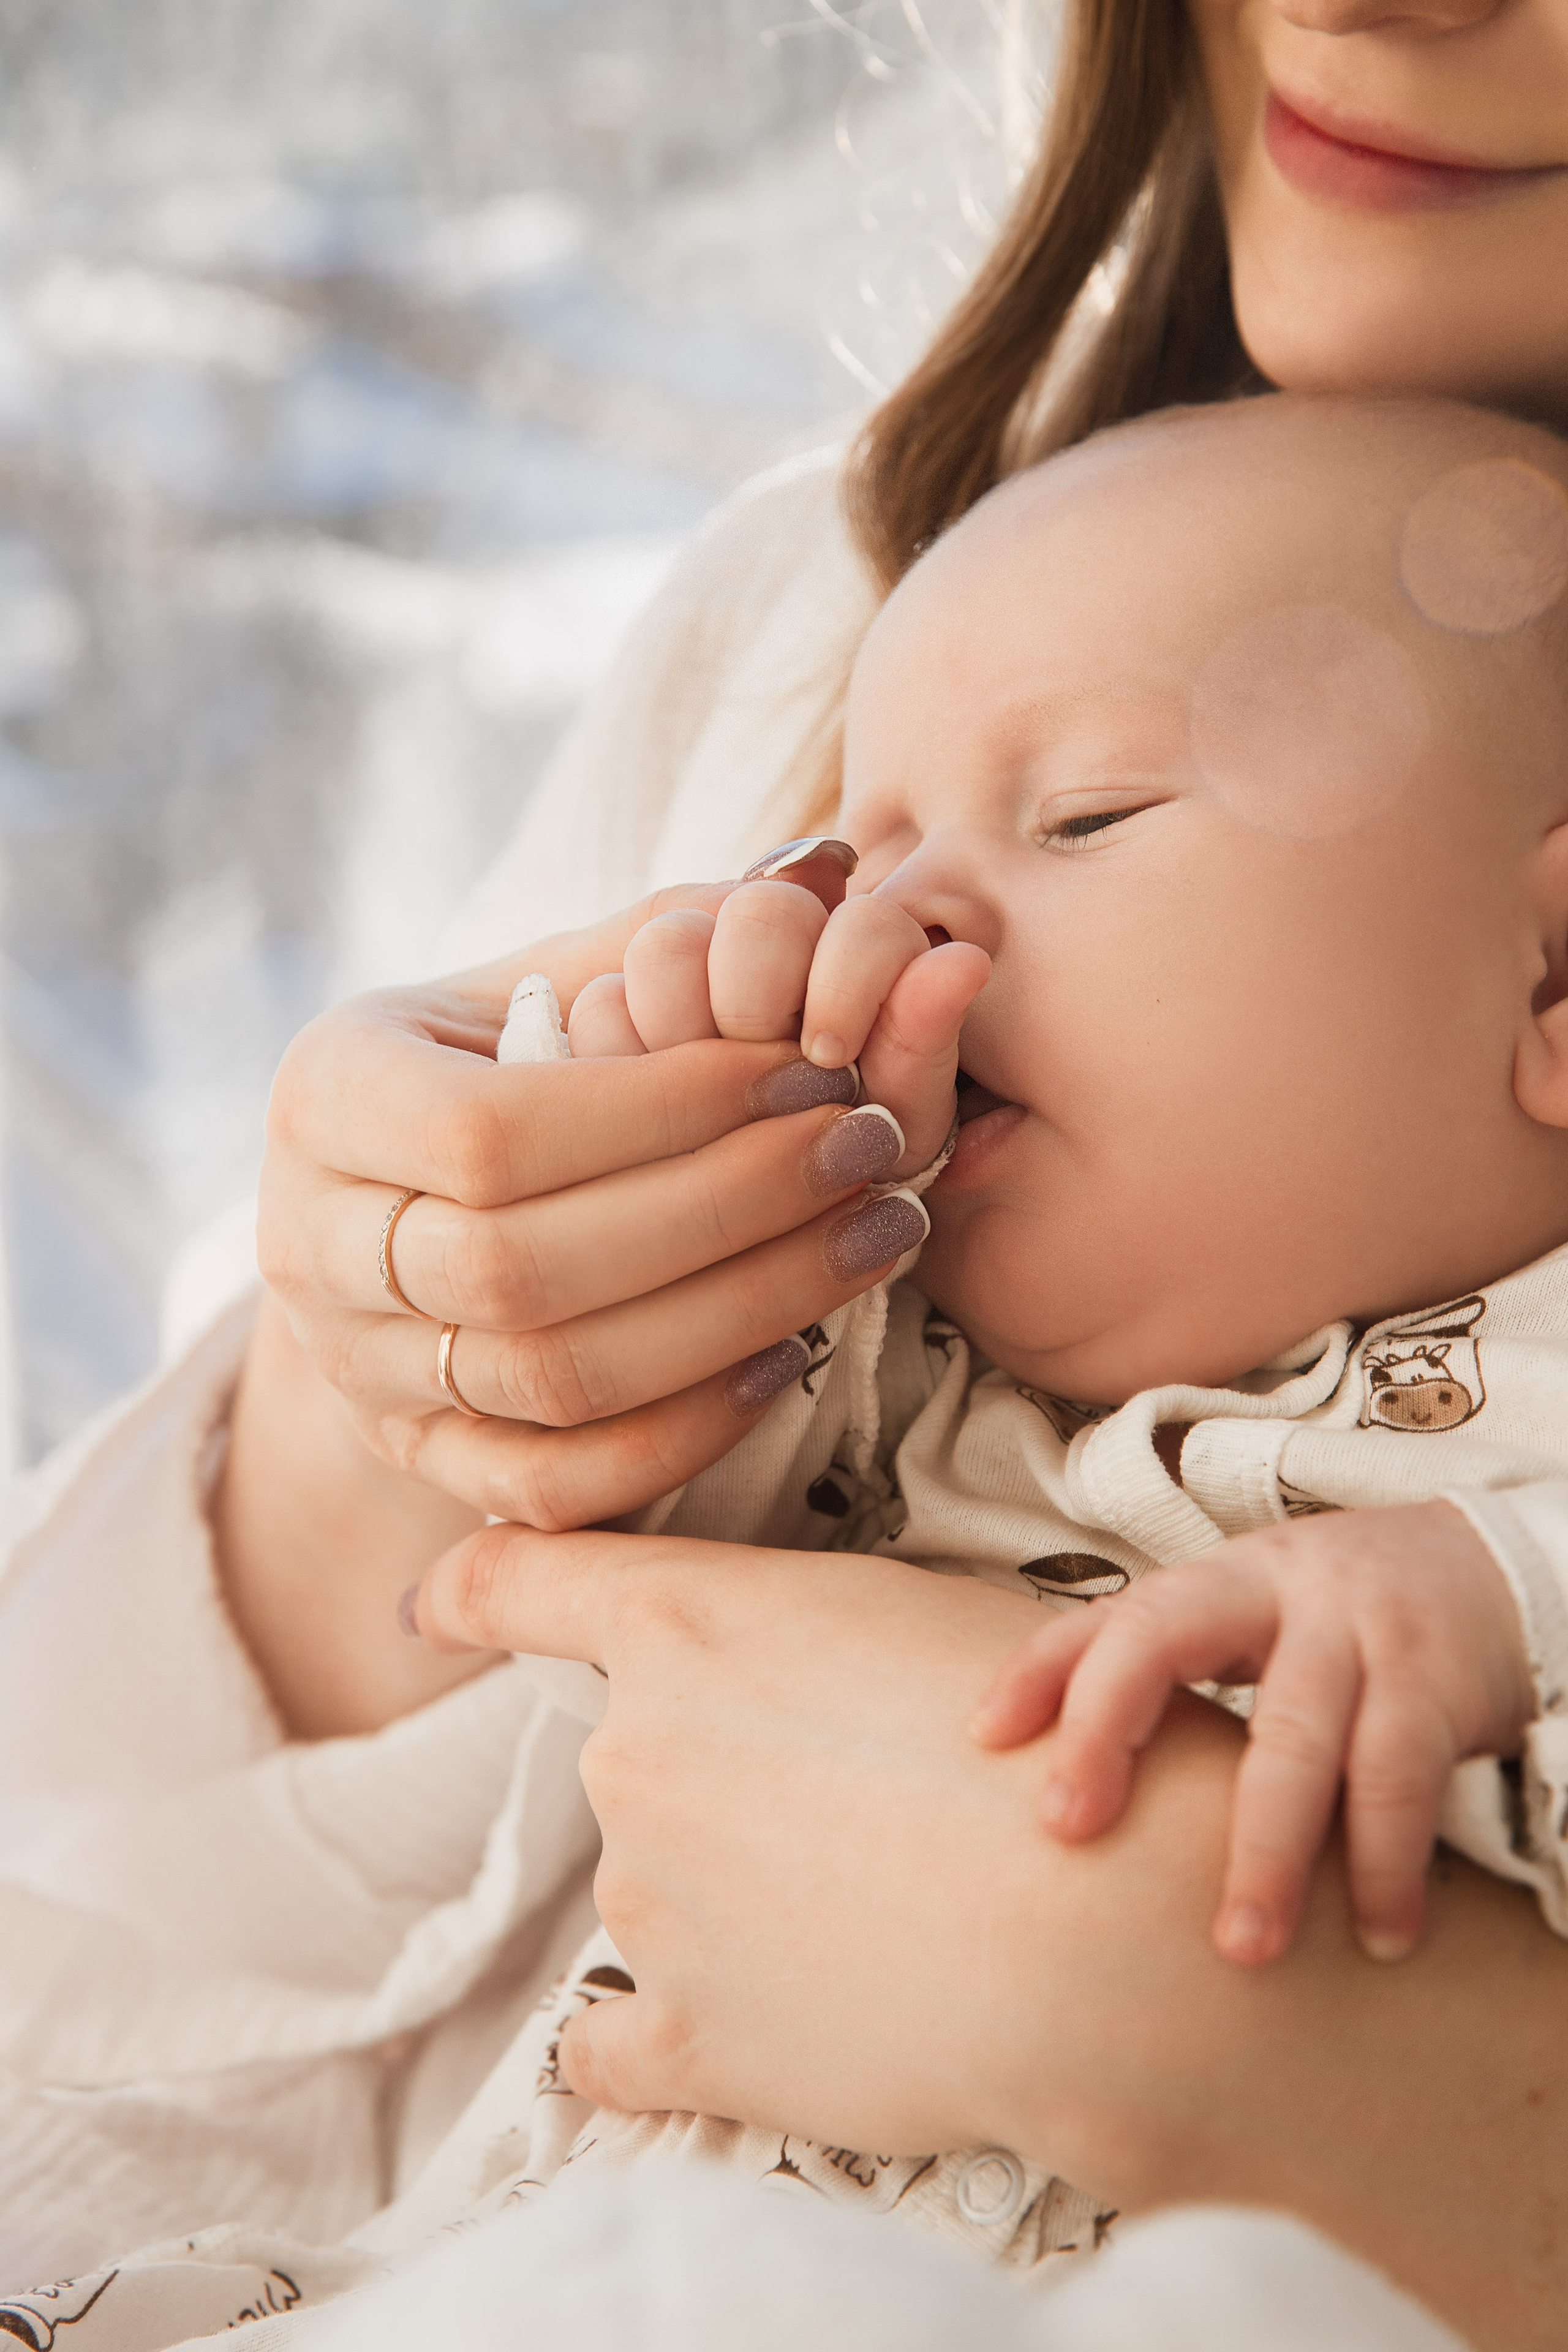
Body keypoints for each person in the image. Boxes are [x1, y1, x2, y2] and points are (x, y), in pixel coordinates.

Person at [4, 5, 1568, 2347]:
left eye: (1092, 820)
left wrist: (1438, 1752)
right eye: (867, 835)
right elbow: (118, 1950)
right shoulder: (863, 642)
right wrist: (450, 1354)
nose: (894, 922)